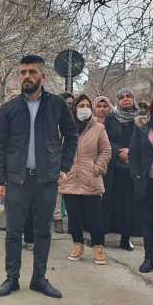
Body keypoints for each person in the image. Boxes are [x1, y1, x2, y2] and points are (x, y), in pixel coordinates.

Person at [0, 55, 78, 298]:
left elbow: (72, 135)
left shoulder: (57, 105)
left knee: (43, 231)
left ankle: (39, 278)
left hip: (46, 180)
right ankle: (12, 278)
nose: (26, 77)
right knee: (13, 231)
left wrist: (64, 166)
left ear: (43, 75)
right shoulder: (10, 108)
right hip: (18, 180)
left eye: (31, 72)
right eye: (22, 72)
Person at [59, 94, 111, 265]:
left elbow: (106, 150)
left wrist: (98, 167)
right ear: (74, 109)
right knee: (74, 217)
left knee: (95, 217)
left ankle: (99, 248)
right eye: (80, 105)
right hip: (70, 178)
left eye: (87, 105)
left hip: (91, 178)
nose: (84, 108)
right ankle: (77, 245)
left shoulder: (98, 128)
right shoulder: (66, 128)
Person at [131, 89, 153, 273]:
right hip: (149, 180)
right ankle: (149, 259)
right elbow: (134, 153)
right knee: (150, 221)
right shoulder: (142, 126)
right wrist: (136, 175)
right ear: (152, 105)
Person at [109, 88, 142, 250]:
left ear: (133, 98)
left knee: (131, 205)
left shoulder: (142, 118)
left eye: (128, 96)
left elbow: (147, 139)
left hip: (136, 168)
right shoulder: (112, 118)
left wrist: (131, 151)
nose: (125, 99)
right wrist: (119, 152)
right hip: (115, 168)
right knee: (115, 203)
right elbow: (106, 139)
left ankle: (126, 238)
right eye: (121, 97)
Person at [92, 96, 122, 236]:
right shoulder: (89, 123)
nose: (102, 109)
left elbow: (117, 143)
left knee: (107, 195)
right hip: (91, 165)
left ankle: (105, 226)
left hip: (110, 166)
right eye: (99, 106)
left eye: (105, 106)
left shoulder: (115, 123)